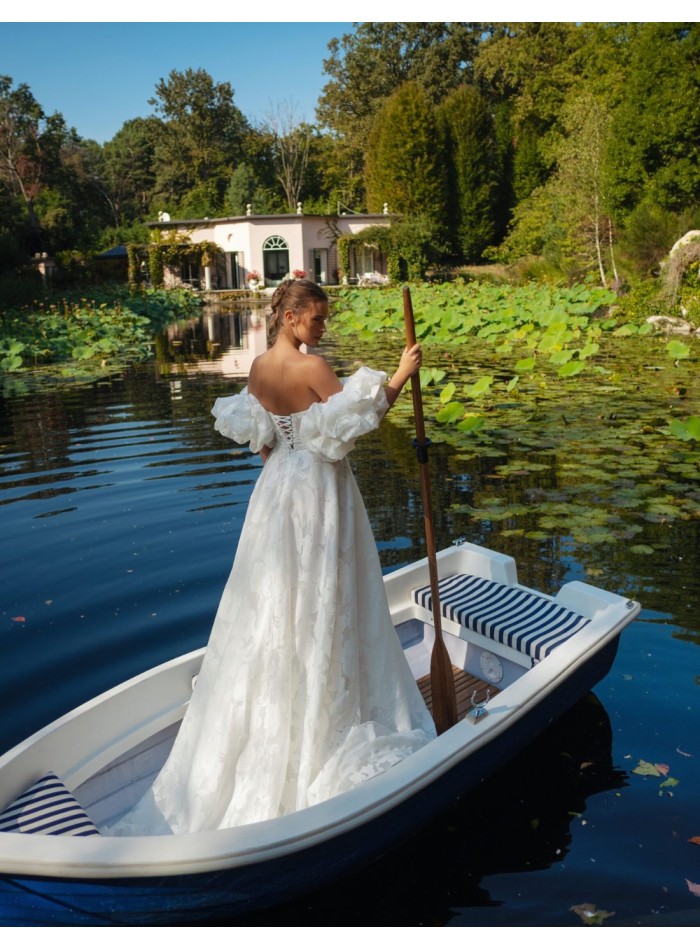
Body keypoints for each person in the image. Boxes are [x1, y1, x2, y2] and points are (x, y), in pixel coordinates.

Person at [106, 278, 436, 835]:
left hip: (279, 488)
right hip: (321, 493)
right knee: (324, 594)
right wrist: (402, 373)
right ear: (290, 318)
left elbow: (262, 438)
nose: (322, 327)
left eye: (324, 320)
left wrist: (288, 457)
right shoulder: (313, 369)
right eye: (316, 319)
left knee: (274, 601)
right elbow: (358, 422)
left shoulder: (259, 369)